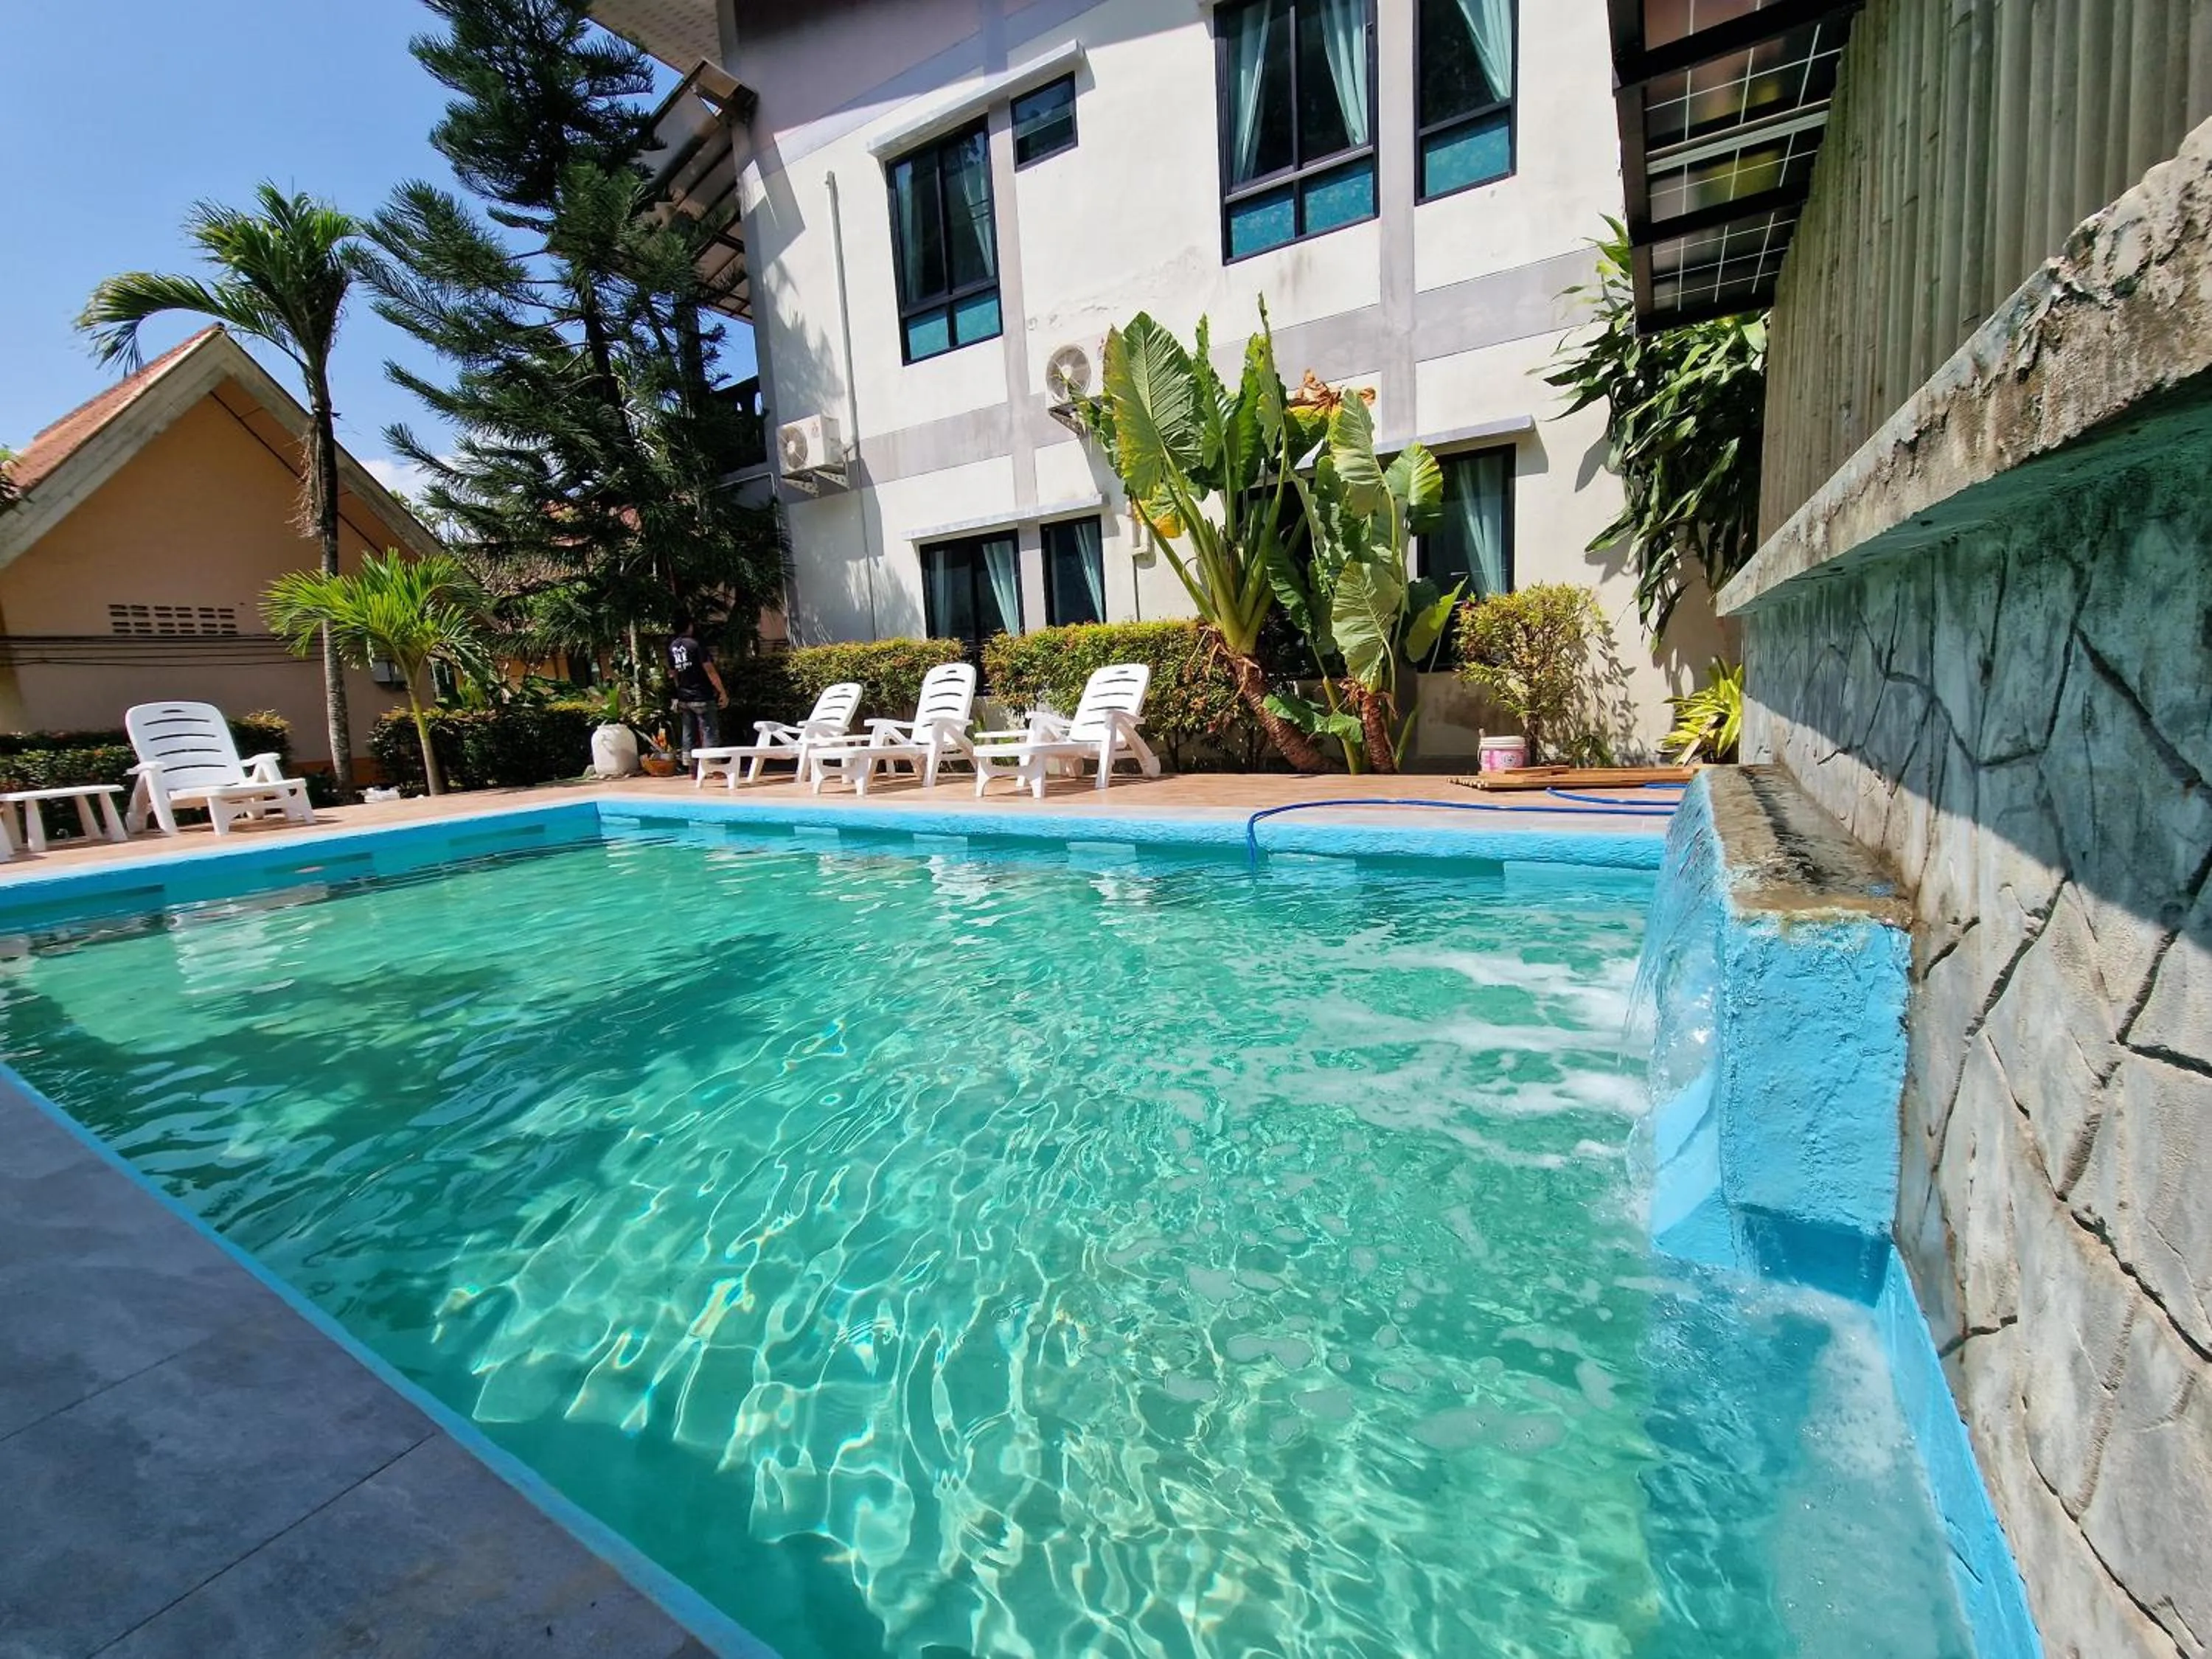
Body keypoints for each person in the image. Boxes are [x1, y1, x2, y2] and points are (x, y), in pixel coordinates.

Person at [667, 616, 728, 763]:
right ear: (689, 626)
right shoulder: (696, 645)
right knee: (709, 731)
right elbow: (710, 670)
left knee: (688, 732)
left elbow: (673, 673)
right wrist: (722, 692)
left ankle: (691, 765)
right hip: (702, 695)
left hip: (684, 697)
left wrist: (679, 690)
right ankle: (712, 766)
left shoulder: (672, 647)